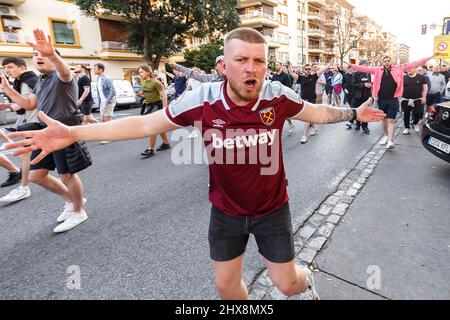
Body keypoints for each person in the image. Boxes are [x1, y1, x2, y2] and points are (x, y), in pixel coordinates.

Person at [6, 27, 385, 300]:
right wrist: (75, 133)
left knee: (287, 285)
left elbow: (316, 111)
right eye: (242, 60)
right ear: (224, 65)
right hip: (225, 211)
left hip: (272, 209)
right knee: (224, 288)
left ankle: (309, 278)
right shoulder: (202, 99)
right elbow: (143, 123)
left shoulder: (276, 96)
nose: (251, 69)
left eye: (259, 62)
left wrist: (353, 111)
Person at [2, 29, 88, 233]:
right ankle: (71, 200)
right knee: (36, 175)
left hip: (63, 130)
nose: (39, 57)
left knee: (66, 175)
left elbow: (64, 70)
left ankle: (78, 211)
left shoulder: (62, 77)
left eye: (43, 54)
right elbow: (29, 104)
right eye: (35, 55)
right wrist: (7, 88)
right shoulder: (40, 81)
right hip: (46, 132)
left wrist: (53, 55)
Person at [352, 54, 436, 150]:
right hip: (381, 99)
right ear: (383, 62)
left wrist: (430, 57)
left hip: (393, 99)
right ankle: (386, 136)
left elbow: (415, 63)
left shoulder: (398, 69)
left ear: (391, 61)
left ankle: (390, 141)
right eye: (385, 61)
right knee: (383, 119)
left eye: (388, 60)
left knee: (392, 120)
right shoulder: (377, 70)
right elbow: (365, 69)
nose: (387, 62)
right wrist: (352, 66)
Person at [0, 56, 39, 202]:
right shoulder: (22, 82)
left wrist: (7, 90)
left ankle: (24, 187)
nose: (6, 71)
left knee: (27, 157)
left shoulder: (28, 81)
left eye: (10, 67)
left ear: (22, 67)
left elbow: (29, 104)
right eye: (4, 68)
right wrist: (8, 105)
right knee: (35, 164)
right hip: (35, 124)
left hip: (39, 124)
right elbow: (21, 104)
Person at [288, 62, 328, 144]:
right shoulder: (300, 77)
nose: (308, 70)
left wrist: (329, 64)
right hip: (303, 99)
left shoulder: (314, 76)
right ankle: (314, 127)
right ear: (304, 70)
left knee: (307, 117)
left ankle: (304, 135)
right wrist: (289, 65)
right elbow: (291, 73)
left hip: (312, 99)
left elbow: (323, 70)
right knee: (306, 117)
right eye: (306, 69)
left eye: (309, 69)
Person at [137, 65, 170, 158]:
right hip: (148, 106)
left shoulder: (156, 82)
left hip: (157, 105)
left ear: (148, 72)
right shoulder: (143, 83)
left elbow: (164, 95)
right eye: (139, 72)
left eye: (142, 72)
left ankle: (150, 149)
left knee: (152, 127)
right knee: (158, 127)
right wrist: (139, 95)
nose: (140, 74)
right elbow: (144, 95)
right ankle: (166, 143)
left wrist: (164, 107)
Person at [94, 63, 116, 144]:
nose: (94, 70)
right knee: (103, 120)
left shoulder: (107, 78)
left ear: (101, 69)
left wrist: (107, 101)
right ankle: (107, 136)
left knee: (107, 120)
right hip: (102, 102)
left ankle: (110, 137)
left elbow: (113, 91)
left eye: (95, 68)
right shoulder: (99, 79)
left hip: (108, 102)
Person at [401, 67, 428, 135]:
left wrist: (424, 97)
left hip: (417, 99)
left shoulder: (421, 77)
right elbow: (399, 87)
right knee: (406, 114)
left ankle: (415, 123)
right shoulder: (404, 77)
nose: (408, 69)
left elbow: (425, 87)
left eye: (410, 68)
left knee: (418, 113)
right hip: (406, 99)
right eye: (407, 68)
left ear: (414, 69)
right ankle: (407, 128)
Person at [348, 60, 372, 134]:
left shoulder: (368, 74)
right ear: (360, 66)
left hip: (366, 96)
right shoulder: (355, 74)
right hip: (357, 96)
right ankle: (358, 124)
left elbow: (369, 83)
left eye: (366, 65)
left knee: (366, 111)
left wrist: (370, 86)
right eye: (364, 65)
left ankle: (365, 126)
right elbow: (353, 84)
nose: (366, 66)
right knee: (357, 111)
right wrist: (363, 85)